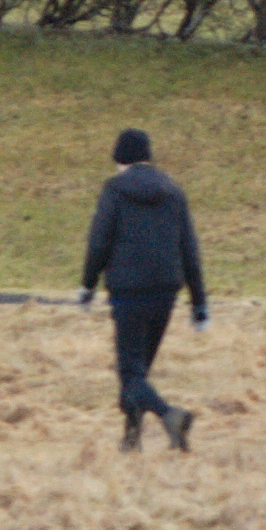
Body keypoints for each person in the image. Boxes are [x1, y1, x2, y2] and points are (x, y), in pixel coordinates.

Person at [78, 127, 207, 452]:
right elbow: (190, 249)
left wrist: (88, 285)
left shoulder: (114, 190)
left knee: (131, 374)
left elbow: (99, 242)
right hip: (166, 292)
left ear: (120, 159)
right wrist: (199, 303)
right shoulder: (173, 191)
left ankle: (169, 415)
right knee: (138, 372)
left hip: (128, 292)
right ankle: (131, 440)